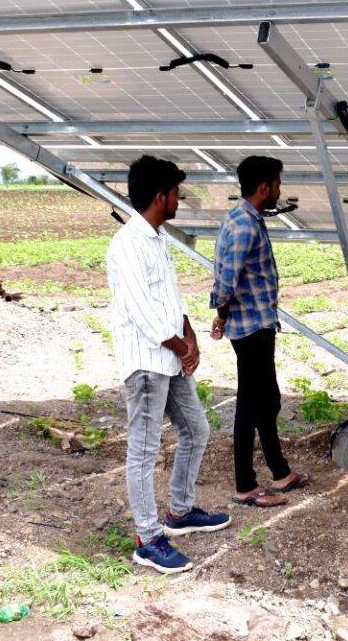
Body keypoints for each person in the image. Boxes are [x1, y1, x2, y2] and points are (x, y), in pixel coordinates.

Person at [108, 154, 229, 573]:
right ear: (160, 196)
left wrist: (189, 334)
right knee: (143, 451)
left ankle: (179, 511)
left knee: (196, 428)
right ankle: (147, 539)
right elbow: (142, 310)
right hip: (147, 362)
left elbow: (170, 299)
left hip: (169, 357)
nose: (180, 199)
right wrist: (181, 347)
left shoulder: (157, 239)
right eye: (176, 192)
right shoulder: (128, 244)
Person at [210, 155, 312, 508]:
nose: (280, 191)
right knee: (251, 405)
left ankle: (280, 472)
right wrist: (221, 315)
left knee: (267, 401)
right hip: (251, 328)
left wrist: (223, 315)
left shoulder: (244, 218)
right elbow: (226, 283)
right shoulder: (244, 226)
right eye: (277, 185)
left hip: (257, 324)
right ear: (264, 187)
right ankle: (245, 485)